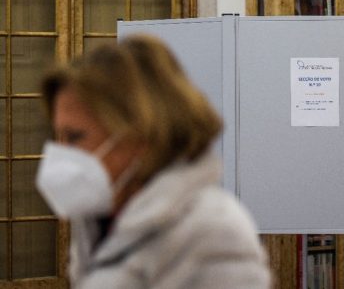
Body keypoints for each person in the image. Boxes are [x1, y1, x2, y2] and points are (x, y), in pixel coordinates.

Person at [36, 34, 271, 289]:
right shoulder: (98, 219)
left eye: (74, 137)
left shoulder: (213, 230)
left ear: (139, 132)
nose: (61, 153)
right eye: (57, 136)